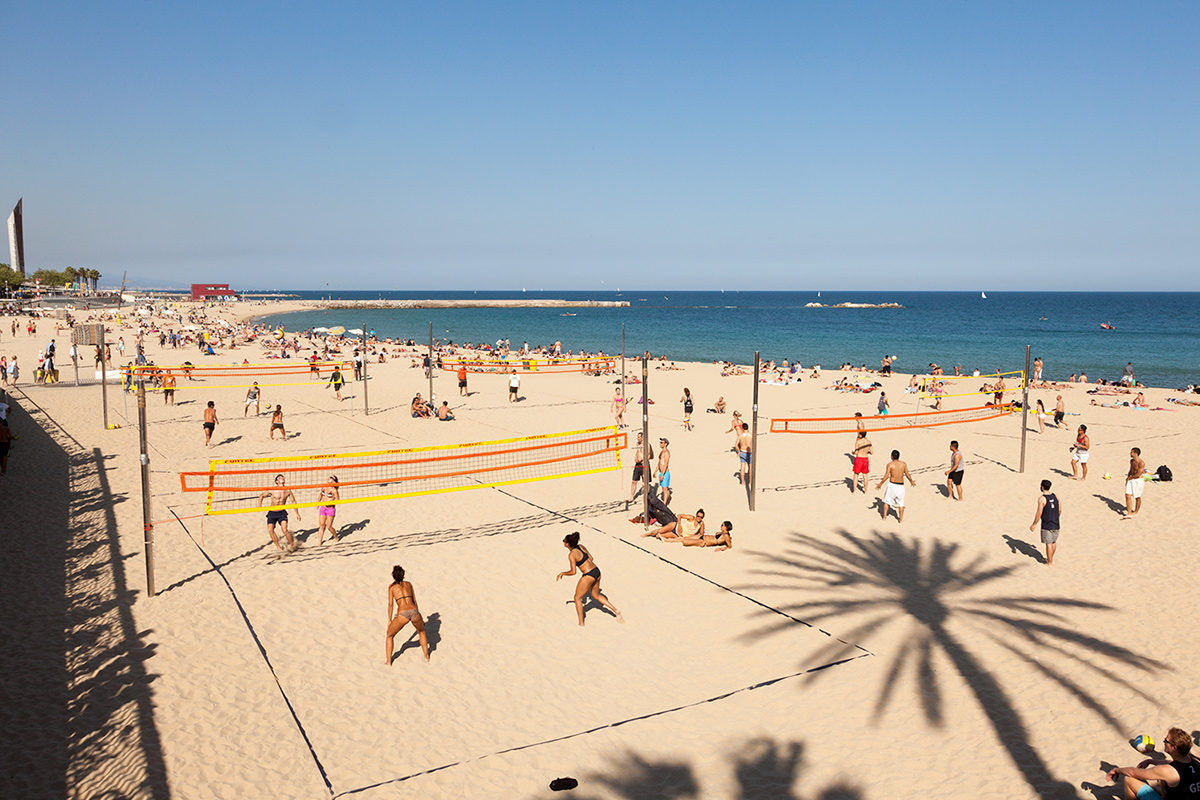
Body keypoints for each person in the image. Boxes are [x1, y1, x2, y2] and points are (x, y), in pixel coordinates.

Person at [1105, 726, 1200, 799]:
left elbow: (1133, 772)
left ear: (1174, 747)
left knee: (1129, 780)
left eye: (1166, 741)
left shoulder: (1166, 771)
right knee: (1160, 785)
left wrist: (1116, 770)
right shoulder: (1195, 762)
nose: (1163, 742)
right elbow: (1172, 763)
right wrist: (1151, 761)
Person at [556, 532, 624, 626]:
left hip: (589, 574)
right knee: (595, 595)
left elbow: (573, 572)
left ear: (567, 544)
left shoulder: (572, 555)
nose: (563, 542)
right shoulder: (581, 546)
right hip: (596, 571)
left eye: (564, 541)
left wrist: (563, 573)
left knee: (577, 598)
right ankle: (616, 610)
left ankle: (581, 624)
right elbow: (591, 558)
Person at [385, 565, 430, 664]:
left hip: (402, 614)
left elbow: (390, 605)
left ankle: (388, 662)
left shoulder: (392, 587)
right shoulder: (409, 584)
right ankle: (426, 657)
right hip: (414, 612)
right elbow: (414, 601)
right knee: (421, 631)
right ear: (403, 575)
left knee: (389, 635)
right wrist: (419, 616)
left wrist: (389, 620)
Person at [259, 474, 300, 552]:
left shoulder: (288, 490)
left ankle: (292, 545)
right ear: (276, 481)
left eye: (283, 477)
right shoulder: (272, 490)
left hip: (281, 512)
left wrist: (297, 513)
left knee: (284, 530)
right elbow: (261, 496)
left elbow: (293, 502)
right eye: (280, 478)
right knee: (270, 530)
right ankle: (278, 547)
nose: (282, 478)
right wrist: (259, 505)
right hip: (272, 513)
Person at [875, 450, 915, 522]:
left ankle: (884, 517)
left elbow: (887, 476)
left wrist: (880, 484)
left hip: (892, 485)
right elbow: (907, 474)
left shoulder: (890, 464)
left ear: (891, 456)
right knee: (901, 503)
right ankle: (900, 519)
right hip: (901, 486)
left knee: (886, 502)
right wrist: (911, 481)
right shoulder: (903, 464)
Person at [1029, 479, 1061, 565]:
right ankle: (1050, 559)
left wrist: (1034, 524)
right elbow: (1060, 509)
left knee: (1049, 543)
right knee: (1053, 542)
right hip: (1056, 523)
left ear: (1042, 487)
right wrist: (1056, 517)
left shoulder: (1042, 499)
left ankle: (1049, 562)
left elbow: (1039, 512)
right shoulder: (1056, 496)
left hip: (1047, 524)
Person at [627, 432, 652, 509]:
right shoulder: (637, 444)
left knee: (645, 482)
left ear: (642, 437)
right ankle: (631, 497)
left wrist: (641, 459)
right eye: (637, 437)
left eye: (638, 437)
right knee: (634, 481)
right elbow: (637, 452)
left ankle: (646, 497)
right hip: (637, 465)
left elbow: (649, 455)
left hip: (644, 465)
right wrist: (635, 458)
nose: (637, 438)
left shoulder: (647, 445)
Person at [316, 476, 340, 544]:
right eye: (329, 478)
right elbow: (320, 495)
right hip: (323, 508)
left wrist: (331, 502)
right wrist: (318, 503)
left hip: (330, 509)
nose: (329, 479)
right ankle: (319, 542)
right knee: (321, 525)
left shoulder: (334, 490)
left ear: (333, 482)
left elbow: (338, 500)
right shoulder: (324, 487)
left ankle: (335, 536)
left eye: (331, 479)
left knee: (329, 526)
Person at [1124, 447, 1145, 518]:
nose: (1130, 453)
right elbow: (1131, 470)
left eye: (1131, 452)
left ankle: (1136, 511)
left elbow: (1138, 474)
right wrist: (1128, 478)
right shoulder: (1132, 461)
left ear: (1135, 453)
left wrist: (1130, 478)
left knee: (1137, 497)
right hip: (1131, 479)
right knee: (1127, 495)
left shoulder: (1141, 463)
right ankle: (1129, 512)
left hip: (1138, 480)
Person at [656, 437, 672, 505]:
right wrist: (656, 470)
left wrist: (662, 474)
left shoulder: (666, 453)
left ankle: (665, 504)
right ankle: (665, 502)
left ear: (666, 444)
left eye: (662, 443)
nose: (660, 444)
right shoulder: (662, 452)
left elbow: (666, 464)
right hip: (661, 472)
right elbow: (659, 462)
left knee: (665, 489)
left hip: (665, 473)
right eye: (660, 442)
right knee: (664, 488)